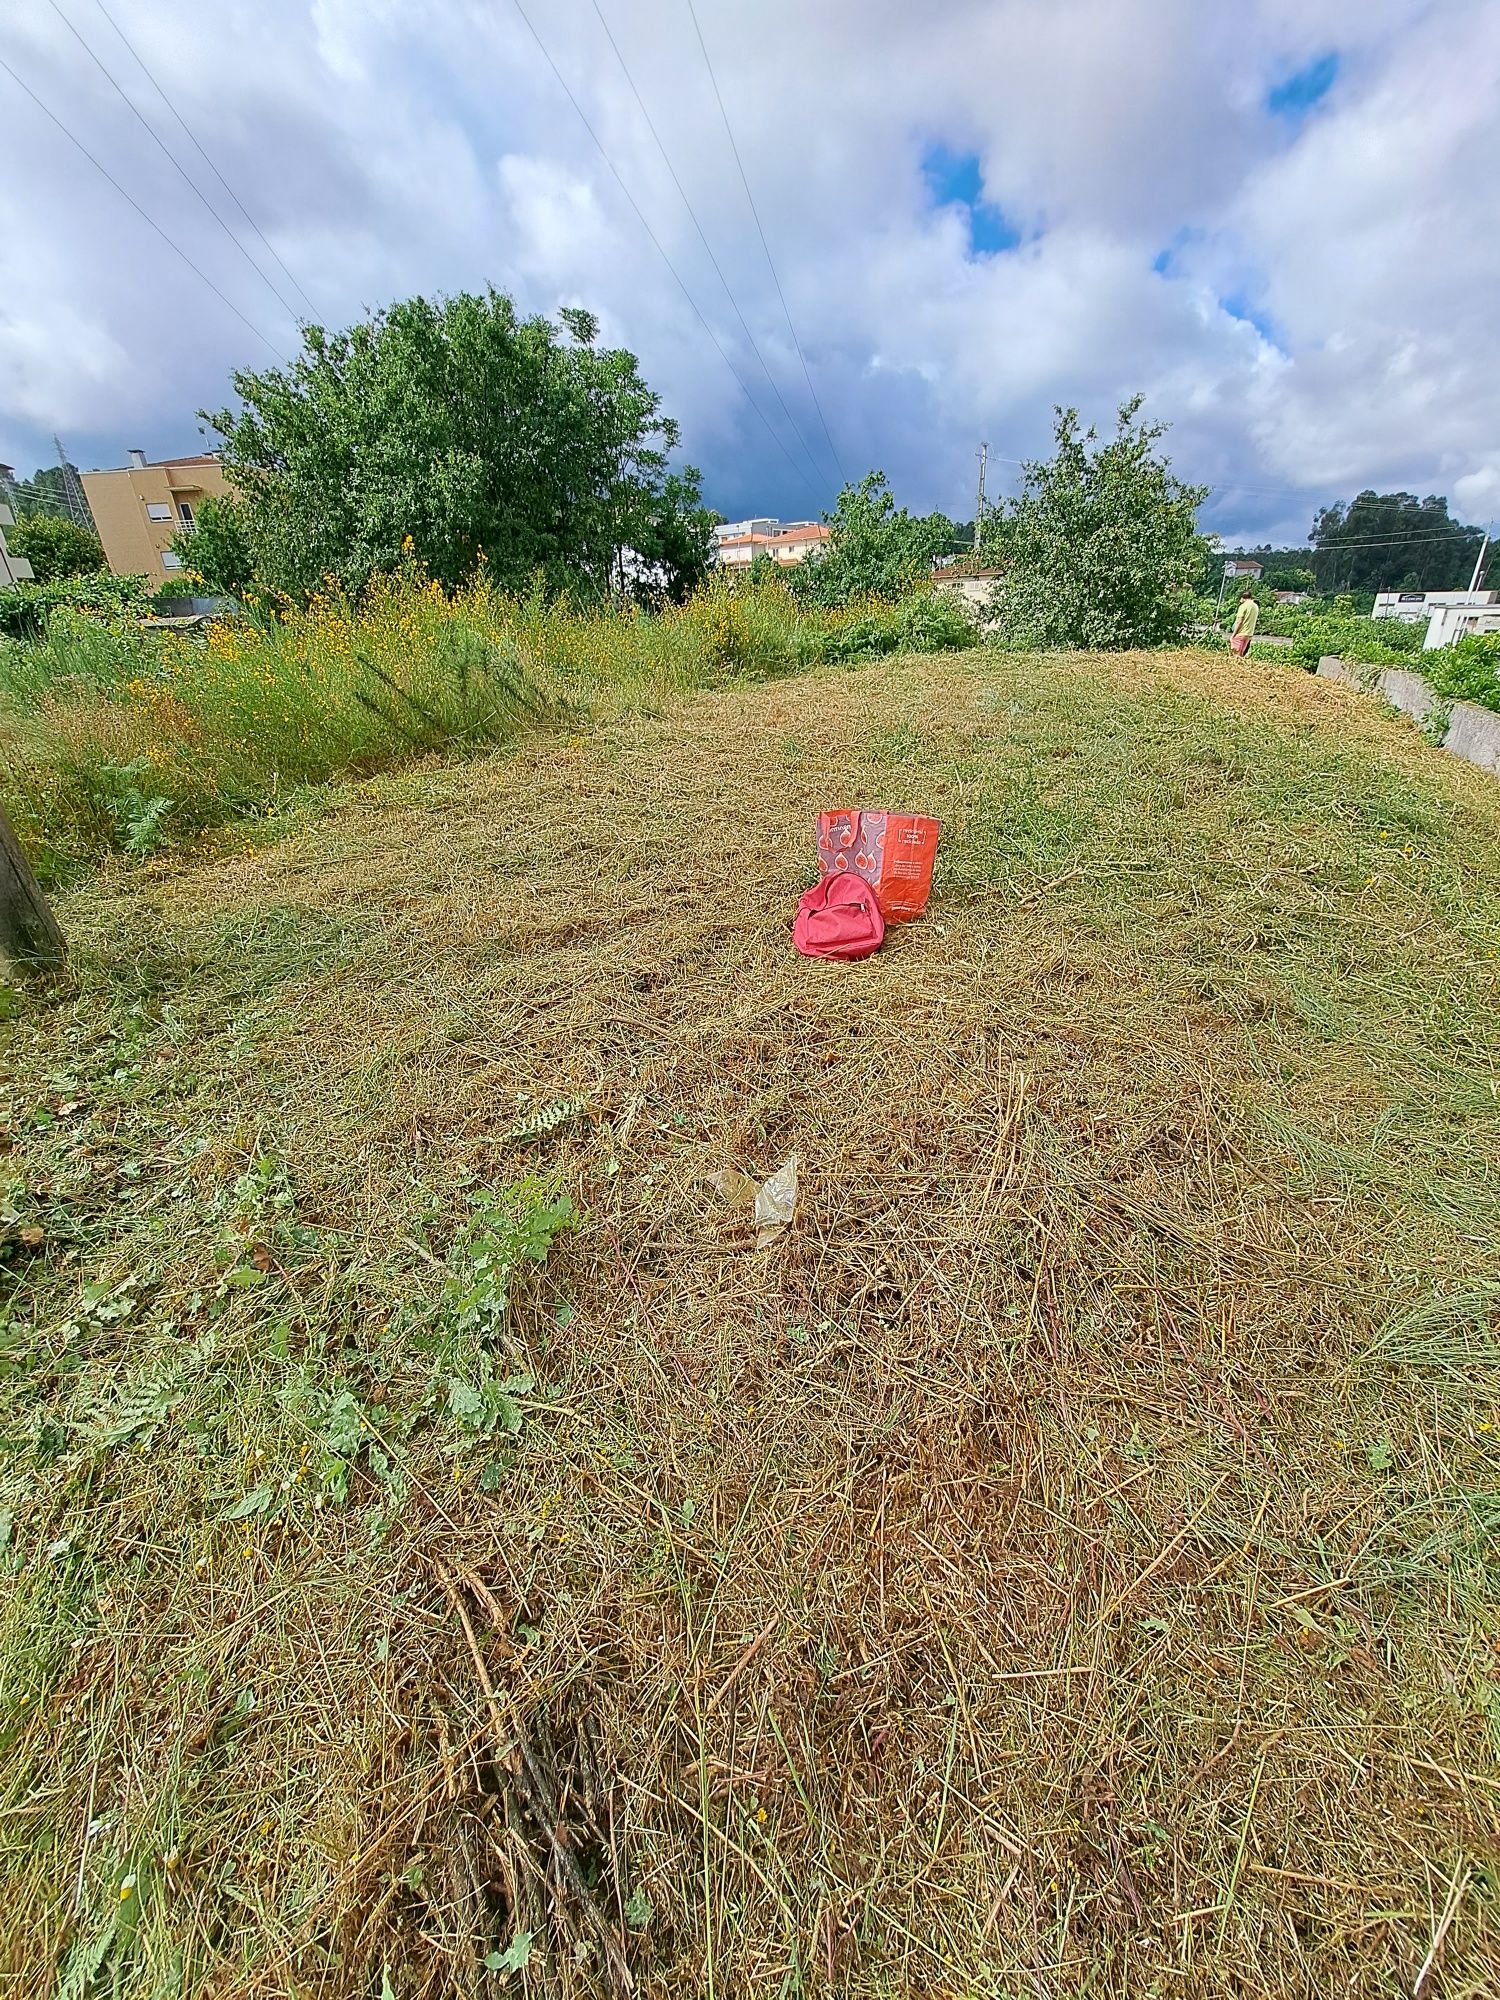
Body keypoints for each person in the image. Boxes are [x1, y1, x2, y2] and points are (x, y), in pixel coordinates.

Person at [1229, 589, 1259, 656]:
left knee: (1235, 655)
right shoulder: (1255, 606)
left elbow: (1239, 622)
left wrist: (1233, 635)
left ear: (1242, 598)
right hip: (1249, 634)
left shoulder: (1243, 606)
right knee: (1241, 655)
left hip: (1241, 633)